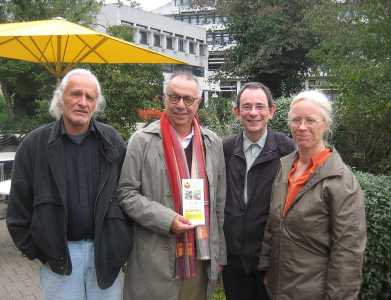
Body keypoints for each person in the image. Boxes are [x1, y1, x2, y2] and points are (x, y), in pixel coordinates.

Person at [6, 68, 132, 300]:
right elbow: (17, 211)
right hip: (59, 257)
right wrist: (40, 251)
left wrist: (121, 245)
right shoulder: (34, 145)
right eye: (76, 94)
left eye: (89, 97)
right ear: (60, 98)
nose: (82, 102)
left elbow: (129, 194)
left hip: (105, 254)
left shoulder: (112, 141)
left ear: (96, 104)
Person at [118, 72, 226, 300]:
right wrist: (167, 220)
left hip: (198, 255)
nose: (180, 105)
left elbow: (219, 204)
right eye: (174, 97)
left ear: (199, 102)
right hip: (154, 257)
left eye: (188, 99)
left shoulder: (212, 142)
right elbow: (126, 193)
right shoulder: (142, 140)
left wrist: (219, 255)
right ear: (164, 98)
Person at [258, 90, 367, 299]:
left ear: (325, 124)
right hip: (277, 287)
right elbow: (273, 223)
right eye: (296, 120)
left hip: (312, 291)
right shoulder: (285, 166)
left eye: (310, 120)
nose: (301, 127)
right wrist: (266, 268)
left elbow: (348, 252)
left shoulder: (340, 180)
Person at [222, 82, 295, 300]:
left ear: (271, 111)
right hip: (234, 261)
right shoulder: (224, 149)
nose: (253, 113)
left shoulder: (288, 150)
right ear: (237, 112)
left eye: (259, 106)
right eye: (246, 107)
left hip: (271, 261)